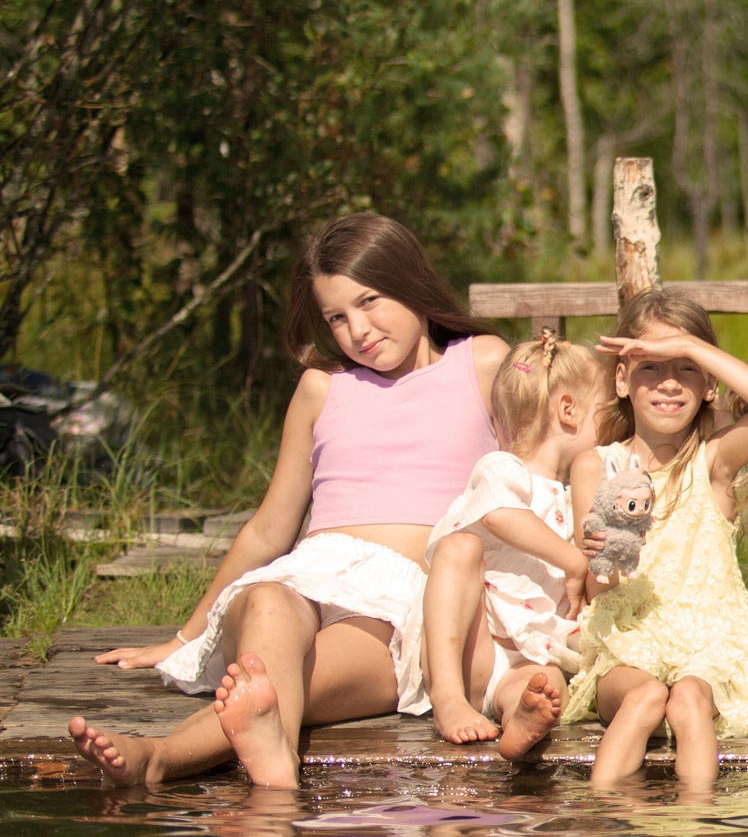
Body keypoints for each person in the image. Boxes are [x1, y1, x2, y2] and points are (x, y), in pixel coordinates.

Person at [70, 215, 507, 787]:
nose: (359, 329)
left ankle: (166, 758)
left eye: (370, 301)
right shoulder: (323, 388)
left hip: (404, 609)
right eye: (337, 317)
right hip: (308, 578)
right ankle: (256, 774)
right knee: (271, 599)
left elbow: (567, 438)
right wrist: (182, 639)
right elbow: (268, 531)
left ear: (411, 281)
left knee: (272, 687)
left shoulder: (483, 363)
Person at [564, 290, 748, 787]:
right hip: (630, 639)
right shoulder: (597, 466)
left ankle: (696, 831)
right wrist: (613, 555)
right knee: (644, 696)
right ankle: (604, 823)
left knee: (688, 698)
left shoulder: (713, 463)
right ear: (621, 379)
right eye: (649, 366)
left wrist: (691, 346)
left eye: (684, 369)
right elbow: (601, 586)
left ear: (709, 384)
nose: (668, 382)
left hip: (711, 643)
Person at [422, 333, 616, 758]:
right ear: (569, 410)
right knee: (460, 549)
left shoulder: (572, 493)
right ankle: (448, 699)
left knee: (544, 686)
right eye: (606, 412)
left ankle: (517, 716)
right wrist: (573, 560)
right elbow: (499, 515)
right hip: (471, 646)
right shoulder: (502, 468)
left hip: (527, 656)